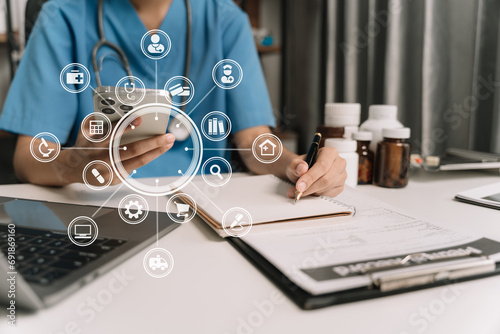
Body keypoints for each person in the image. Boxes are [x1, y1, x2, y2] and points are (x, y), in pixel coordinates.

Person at [0, 0, 347, 199]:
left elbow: (254, 142)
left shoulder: (225, 20)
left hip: (203, 206)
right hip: (96, 206)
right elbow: (27, 158)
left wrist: (295, 166)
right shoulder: (63, 16)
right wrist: (76, 165)